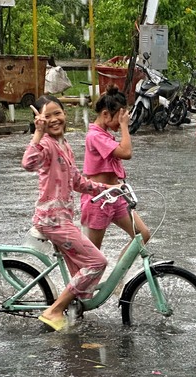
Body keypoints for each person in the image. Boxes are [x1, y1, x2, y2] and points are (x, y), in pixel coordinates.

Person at [22, 95, 110, 332]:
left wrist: (108, 189)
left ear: (65, 113)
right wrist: (38, 133)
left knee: (81, 271)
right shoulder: (48, 145)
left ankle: (72, 309)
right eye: (47, 116)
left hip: (63, 219)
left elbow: (77, 181)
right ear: (39, 120)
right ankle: (55, 310)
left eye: (57, 113)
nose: (54, 119)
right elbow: (28, 163)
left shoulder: (65, 145)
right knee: (97, 262)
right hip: (53, 221)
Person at [80, 85, 150, 253]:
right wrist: (125, 127)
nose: (121, 121)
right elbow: (126, 152)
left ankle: (118, 277)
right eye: (118, 117)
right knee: (92, 255)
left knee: (143, 234)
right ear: (105, 114)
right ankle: (89, 279)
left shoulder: (104, 135)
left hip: (116, 196)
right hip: (99, 199)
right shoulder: (95, 136)